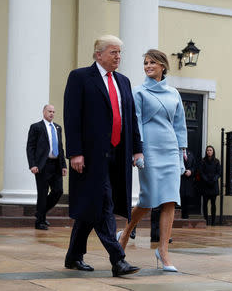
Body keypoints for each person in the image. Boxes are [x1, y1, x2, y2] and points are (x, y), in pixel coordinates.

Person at [63, 35, 143, 277]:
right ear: (98, 54)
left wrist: (137, 147)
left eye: (119, 53)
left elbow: (130, 117)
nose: (118, 57)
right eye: (113, 52)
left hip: (118, 155)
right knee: (104, 203)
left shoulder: (124, 81)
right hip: (90, 155)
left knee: (91, 205)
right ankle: (118, 259)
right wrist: (75, 152)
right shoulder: (80, 78)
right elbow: (71, 117)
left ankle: (73, 256)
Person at [117, 49, 187, 273]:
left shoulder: (174, 93)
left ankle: (163, 251)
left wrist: (181, 152)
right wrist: (137, 151)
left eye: (152, 63)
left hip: (169, 149)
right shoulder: (138, 92)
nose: (148, 66)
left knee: (170, 200)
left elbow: (179, 125)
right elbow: (134, 123)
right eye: (145, 63)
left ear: (163, 66)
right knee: (148, 198)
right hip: (149, 150)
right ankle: (126, 233)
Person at [26, 104, 67, 230]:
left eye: (53, 112)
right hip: (42, 165)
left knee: (58, 191)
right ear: (44, 112)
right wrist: (32, 164)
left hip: (56, 165)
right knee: (42, 193)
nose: (52, 114)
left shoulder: (57, 128)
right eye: (49, 111)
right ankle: (39, 222)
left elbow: (60, 147)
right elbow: (30, 147)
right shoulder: (36, 127)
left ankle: (40, 213)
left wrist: (63, 165)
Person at [199, 145, 221, 226]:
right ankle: (206, 221)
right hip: (205, 185)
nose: (209, 151)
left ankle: (213, 222)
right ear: (206, 152)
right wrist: (207, 180)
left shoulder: (217, 161)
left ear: (213, 151)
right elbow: (201, 172)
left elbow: (219, 173)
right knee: (205, 204)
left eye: (210, 150)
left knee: (213, 204)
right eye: (207, 150)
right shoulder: (203, 161)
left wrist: (214, 180)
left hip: (214, 185)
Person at [180, 149, 196, 219]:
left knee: (187, 197)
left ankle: (185, 216)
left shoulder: (190, 153)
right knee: (180, 197)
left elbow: (194, 166)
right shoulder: (177, 153)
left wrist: (191, 171)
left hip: (188, 180)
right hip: (180, 179)